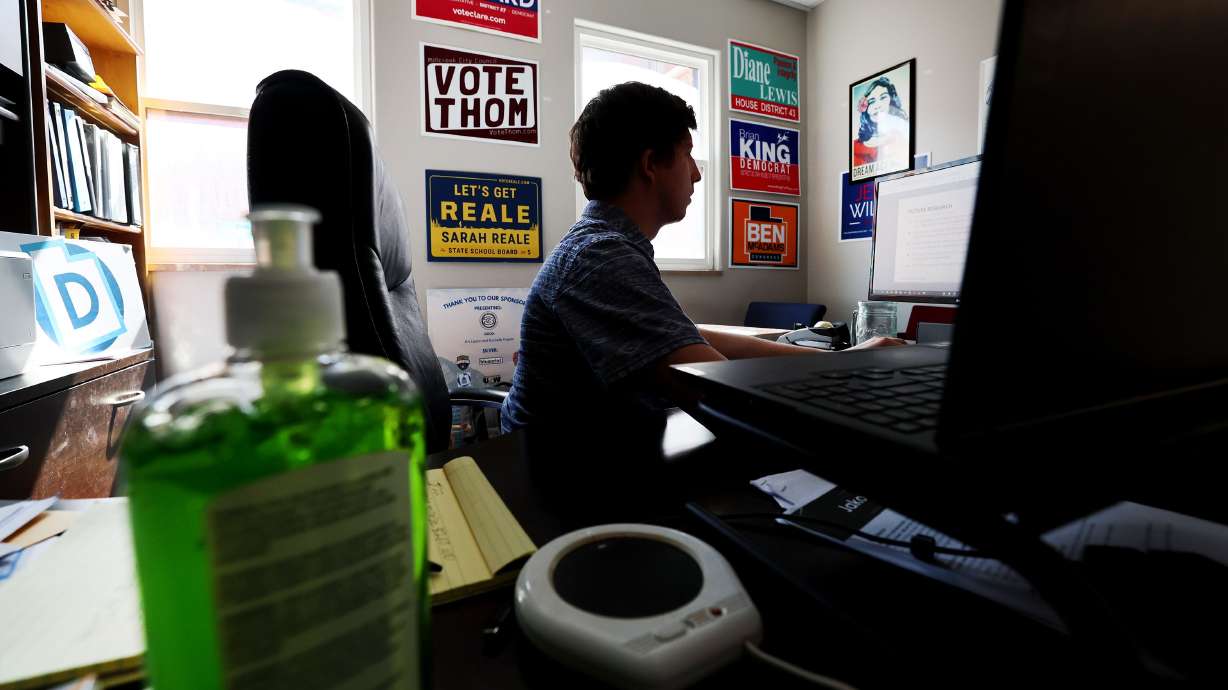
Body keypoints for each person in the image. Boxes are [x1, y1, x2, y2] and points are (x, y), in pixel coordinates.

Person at [501, 81, 902, 435]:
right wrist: (851, 378)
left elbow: (686, 339)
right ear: (650, 164)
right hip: (555, 477)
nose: (696, 173)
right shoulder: (600, 258)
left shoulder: (605, 246)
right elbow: (715, 391)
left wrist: (840, 362)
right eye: (688, 155)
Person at [853, 76, 910, 173]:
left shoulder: (903, 136)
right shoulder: (855, 146)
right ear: (866, 109)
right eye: (871, 101)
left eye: (883, 97)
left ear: (891, 100)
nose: (877, 105)